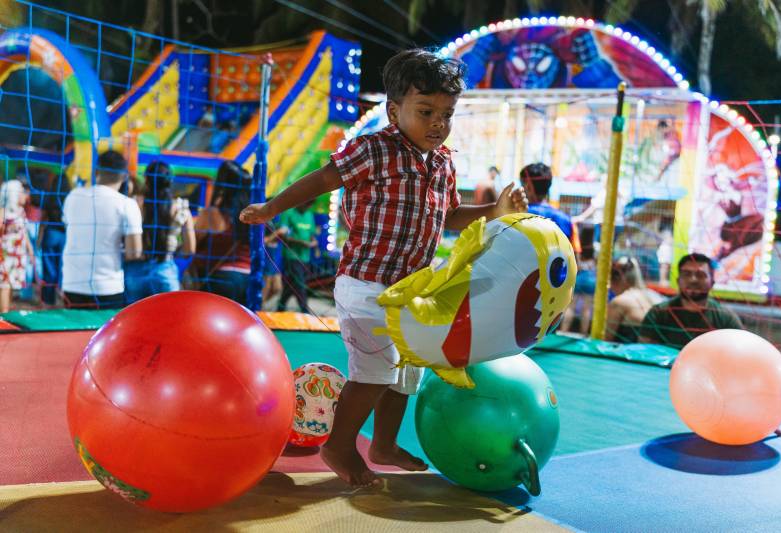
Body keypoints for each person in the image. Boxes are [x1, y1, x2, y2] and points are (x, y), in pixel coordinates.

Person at [239, 49, 527, 487]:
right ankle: (339, 445)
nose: (438, 123)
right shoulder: (374, 149)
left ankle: (384, 445)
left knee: (408, 370)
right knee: (377, 370)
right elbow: (323, 179)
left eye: (447, 114)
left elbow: (449, 216)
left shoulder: (442, 162)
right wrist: (272, 207)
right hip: (366, 283)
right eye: (425, 111)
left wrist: (494, 210)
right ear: (394, 111)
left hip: (413, 289)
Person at [61, 151, 143, 309]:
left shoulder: (73, 196)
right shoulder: (127, 204)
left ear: (96, 171)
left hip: (72, 283)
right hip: (108, 286)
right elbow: (134, 253)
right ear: (124, 176)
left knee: (73, 325)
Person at [124, 161, 196, 303]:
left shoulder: (133, 204)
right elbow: (190, 250)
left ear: (146, 179)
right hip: (165, 269)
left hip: (135, 271)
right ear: (170, 181)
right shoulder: (180, 208)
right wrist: (174, 249)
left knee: (135, 315)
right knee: (168, 314)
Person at [638, 253, 743, 349]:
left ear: (712, 282)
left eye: (700, 275)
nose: (693, 280)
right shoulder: (658, 313)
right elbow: (645, 351)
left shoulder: (725, 318)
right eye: (686, 274)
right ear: (678, 281)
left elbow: (740, 351)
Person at [194, 160, 252, 305]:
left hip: (222, 279)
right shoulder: (251, 213)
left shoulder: (213, 214)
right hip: (250, 278)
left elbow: (193, 245)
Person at [605, 256, 663, 343]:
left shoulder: (620, 302)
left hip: (627, 350)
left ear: (618, 278)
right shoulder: (652, 296)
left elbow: (605, 339)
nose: (609, 287)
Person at [519, 162, 577, 245]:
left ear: (527, 185)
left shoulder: (517, 216)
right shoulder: (566, 220)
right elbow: (574, 251)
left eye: (521, 184)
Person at [37, 169, 71, 305]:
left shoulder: (50, 196)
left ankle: (47, 301)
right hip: (64, 235)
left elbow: (43, 218)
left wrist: (39, 237)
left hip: (50, 233)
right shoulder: (70, 198)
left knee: (49, 270)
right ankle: (61, 299)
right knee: (63, 269)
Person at [276, 200, 316, 313]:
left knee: (292, 283)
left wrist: (314, 242)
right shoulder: (288, 213)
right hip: (291, 256)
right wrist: (300, 242)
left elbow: (311, 234)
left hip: (305, 257)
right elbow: (283, 236)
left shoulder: (309, 214)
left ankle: (281, 306)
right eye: (305, 204)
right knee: (299, 282)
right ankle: (305, 310)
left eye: (309, 206)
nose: (306, 208)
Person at [0, 179, 34, 313]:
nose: (25, 195)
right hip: (5, 254)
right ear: (13, 194)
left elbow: (23, 232)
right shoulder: (3, 212)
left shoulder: (21, 211)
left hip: (18, 254)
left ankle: (7, 312)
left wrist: (30, 249)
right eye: (22, 192)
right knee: (5, 284)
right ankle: (4, 314)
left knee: (11, 285)